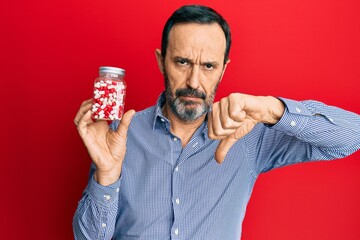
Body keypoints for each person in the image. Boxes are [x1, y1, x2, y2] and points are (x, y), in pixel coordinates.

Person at [73, 5, 360, 240]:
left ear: (223, 69)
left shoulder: (248, 135)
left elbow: (353, 136)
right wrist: (107, 175)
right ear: (162, 61)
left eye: (208, 66)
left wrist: (272, 108)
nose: (194, 82)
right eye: (182, 62)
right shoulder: (121, 136)